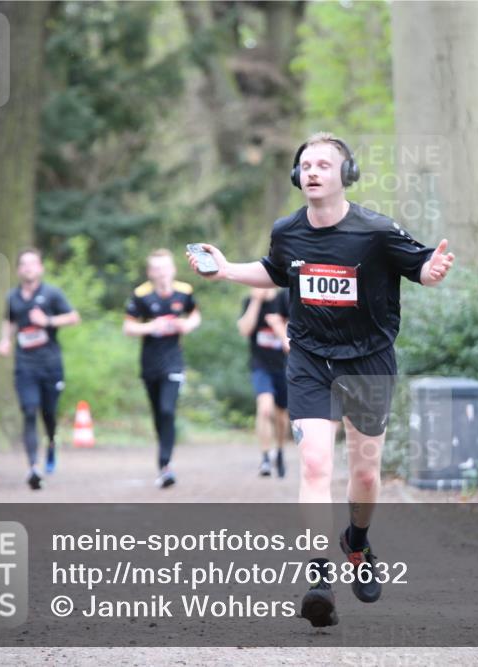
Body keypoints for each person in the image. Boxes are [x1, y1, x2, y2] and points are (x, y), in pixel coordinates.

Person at [187, 132, 455, 627]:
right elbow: (274, 270)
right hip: (310, 358)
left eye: (323, 165)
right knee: (313, 464)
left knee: (365, 475)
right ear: (297, 176)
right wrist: (225, 270)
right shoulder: (288, 230)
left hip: (369, 360)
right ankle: (318, 578)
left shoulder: (375, 231)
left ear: (343, 175)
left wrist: (431, 271)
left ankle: (356, 542)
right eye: (305, 165)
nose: (312, 171)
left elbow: (419, 264)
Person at [0, 248, 81, 490]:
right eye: (24, 264)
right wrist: (5, 340)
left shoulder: (52, 294)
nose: (28, 268)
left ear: (40, 268)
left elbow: (74, 317)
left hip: (51, 364)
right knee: (29, 410)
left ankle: (52, 444)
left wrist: (48, 321)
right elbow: (10, 321)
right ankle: (33, 466)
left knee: (48, 414)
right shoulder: (12, 297)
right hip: (25, 364)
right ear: (18, 270)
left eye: (33, 263)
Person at [123, 249, 202, 488]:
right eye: (156, 269)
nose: (161, 273)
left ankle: (165, 465)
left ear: (173, 269)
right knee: (159, 414)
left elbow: (195, 315)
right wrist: (152, 326)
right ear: (149, 273)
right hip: (149, 362)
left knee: (168, 411)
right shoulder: (141, 295)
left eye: (165, 268)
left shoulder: (184, 291)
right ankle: (164, 460)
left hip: (174, 361)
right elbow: (128, 328)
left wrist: (186, 325)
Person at [238, 287, 291, 477]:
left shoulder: (284, 298)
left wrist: (277, 326)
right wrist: (256, 302)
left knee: (281, 417)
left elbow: (290, 343)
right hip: (260, 366)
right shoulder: (250, 301)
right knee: (265, 408)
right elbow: (244, 330)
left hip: (284, 367)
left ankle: (280, 450)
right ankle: (265, 457)